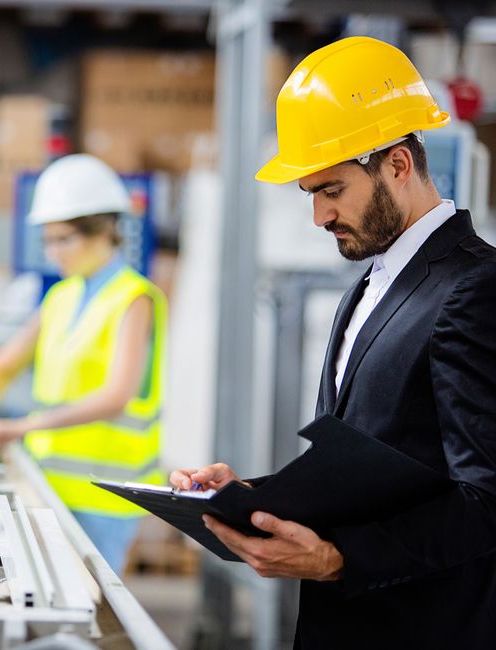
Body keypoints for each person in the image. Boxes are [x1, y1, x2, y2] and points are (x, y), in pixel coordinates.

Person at [171, 36, 496, 649]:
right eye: (312, 195)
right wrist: (253, 497)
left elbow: (485, 500)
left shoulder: (475, 288)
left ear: (398, 165)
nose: (319, 217)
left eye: (332, 190)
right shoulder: (369, 288)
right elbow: (372, 468)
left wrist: (338, 558)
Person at [0, 154, 167, 575]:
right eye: (48, 240)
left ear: (105, 231)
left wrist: (19, 427)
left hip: (105, 497)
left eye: (64, 239)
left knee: (92, 620)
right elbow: (1, 365)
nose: (54, 253)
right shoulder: (61, 297)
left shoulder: (134, 298)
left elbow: (115, 397)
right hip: (49, 486)